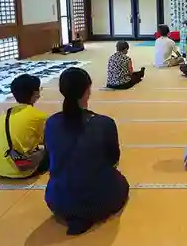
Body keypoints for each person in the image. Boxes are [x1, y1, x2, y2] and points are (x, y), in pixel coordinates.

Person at [44, 67, 129, 235]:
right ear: (87, 90)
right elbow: (113, 159)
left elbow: (50, 158)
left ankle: (78, 215)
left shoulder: (51, 123)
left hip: (57, 201)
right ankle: (86, 212)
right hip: (98, 201)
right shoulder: (104, 123)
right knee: (121, 182)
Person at [0, 74, 48, 179]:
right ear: (36, 93)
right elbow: (49, 140)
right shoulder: (38, 116)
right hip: (22, 170)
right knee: (53, 149)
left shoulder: (6, 113)